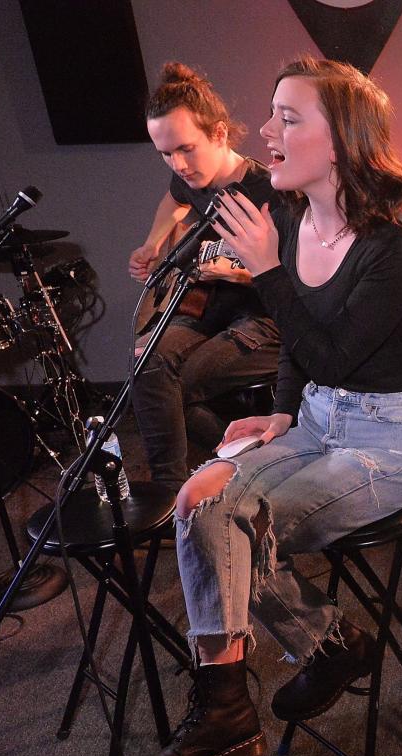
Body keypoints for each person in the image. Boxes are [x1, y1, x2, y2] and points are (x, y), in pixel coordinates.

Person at [117, 57, 402, 756]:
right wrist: (287, 411)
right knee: (199, 497)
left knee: (234, 517)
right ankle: (312, 655)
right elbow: (303, 352)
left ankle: (253, 689)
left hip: (387, 442)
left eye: (288, 118)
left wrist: (266, 272)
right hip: (319, 418)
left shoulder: (399, 246)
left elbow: (336, 349)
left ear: (343, 141)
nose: (265, 130)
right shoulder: (292, 219)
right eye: (272, 114)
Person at [129, 62, 283, 491]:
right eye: (165, 153)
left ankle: (212, 477)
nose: (176, 164)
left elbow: (301, 277)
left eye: (185, 149)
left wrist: (240, 273)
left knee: (170, 385)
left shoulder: (269, 189)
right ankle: (195, 481)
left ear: (219, 133)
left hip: (265, 320)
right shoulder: (192, 179)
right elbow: (174, 199)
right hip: (211, 308)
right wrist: (153, 242)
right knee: (146, 367)